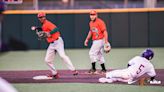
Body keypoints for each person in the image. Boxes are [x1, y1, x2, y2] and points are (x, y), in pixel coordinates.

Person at [32, 12, 78, 79]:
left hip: (58, 41)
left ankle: (73, 70)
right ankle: (55, 73)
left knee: (62, 55)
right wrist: (38, 28)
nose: (41, 18)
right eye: (40, 17)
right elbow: (44, 31)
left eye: (42, 17)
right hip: (52, 44)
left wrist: (49, 33)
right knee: (47, 60)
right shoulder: (43, 25)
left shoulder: (47, 23)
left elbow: (56, 29)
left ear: (45, 17)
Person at [84, 10, 111, 75]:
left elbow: (105, 32)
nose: (92, 16)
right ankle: (104, 69)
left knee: (92, 53)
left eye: (93, 15)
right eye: (91, 15)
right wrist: (87, 39)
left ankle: (93, 69)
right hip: (96, 40)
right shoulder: (90, 23)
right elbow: (91, 32)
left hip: (100, 40)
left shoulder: (100, 22)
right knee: (99, 55)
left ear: (96, 15)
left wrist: (106, 41)